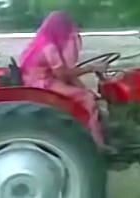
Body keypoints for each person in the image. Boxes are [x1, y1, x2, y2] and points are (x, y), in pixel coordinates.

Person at [19, 11, 110, 149]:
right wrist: (91, 68)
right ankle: (97, 145)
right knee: (87, 99)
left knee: (85, 93)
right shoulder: (50, 48)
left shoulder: (42, 40)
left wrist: (84, 86)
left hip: (40, 78)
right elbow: (63, 75)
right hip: (41, 83)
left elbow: (64, 73)